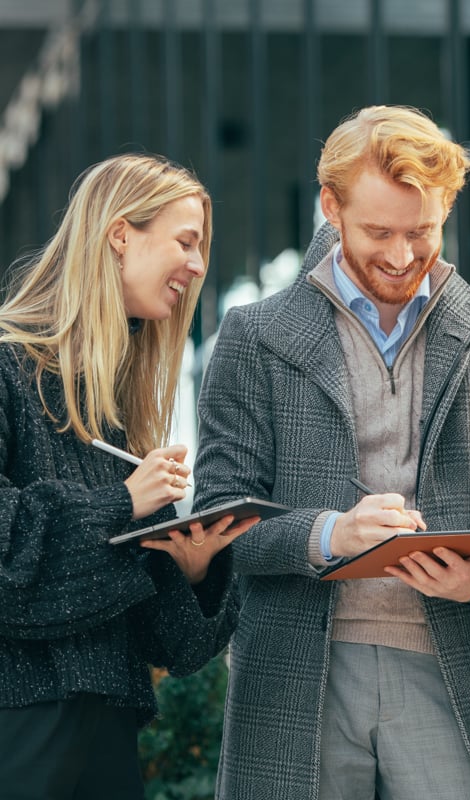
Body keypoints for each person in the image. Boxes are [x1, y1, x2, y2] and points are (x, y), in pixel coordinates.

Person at [192, 104, 470, 800]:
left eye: (421, 232)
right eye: (378, 232)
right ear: (330, 206)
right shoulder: (254, 337)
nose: (399, 256)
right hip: (298, 672)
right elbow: (220, 520)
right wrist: (334, 534)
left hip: (446, 662)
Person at [0, 153, 257, 800]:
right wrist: (120, 505)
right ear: (120, 235)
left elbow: (174, 643)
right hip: (20, 726)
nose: (197, 265)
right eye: (185, 241)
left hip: (109, 731)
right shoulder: (6, 371)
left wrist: (196, 570)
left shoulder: (120, 421)